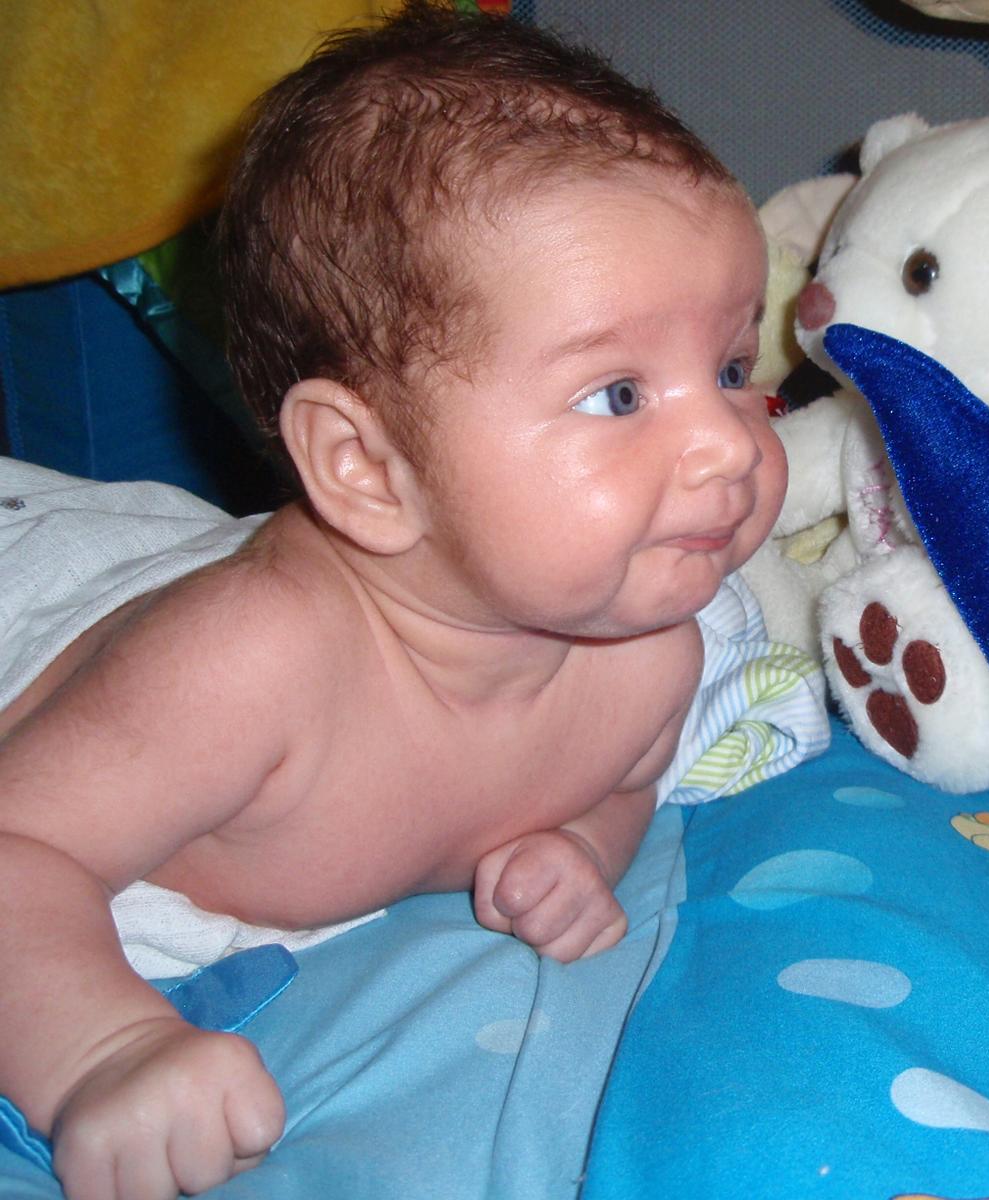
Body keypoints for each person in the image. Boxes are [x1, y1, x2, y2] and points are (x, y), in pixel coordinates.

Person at [0, 4, 817, 1197]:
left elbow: (625, 779)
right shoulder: (247, 670)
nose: (732, 445)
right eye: (618, 395)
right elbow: (20, 844)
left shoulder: (649, 655)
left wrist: (580, 842)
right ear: (367, 469)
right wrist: (101, 1050)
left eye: (732, 369)